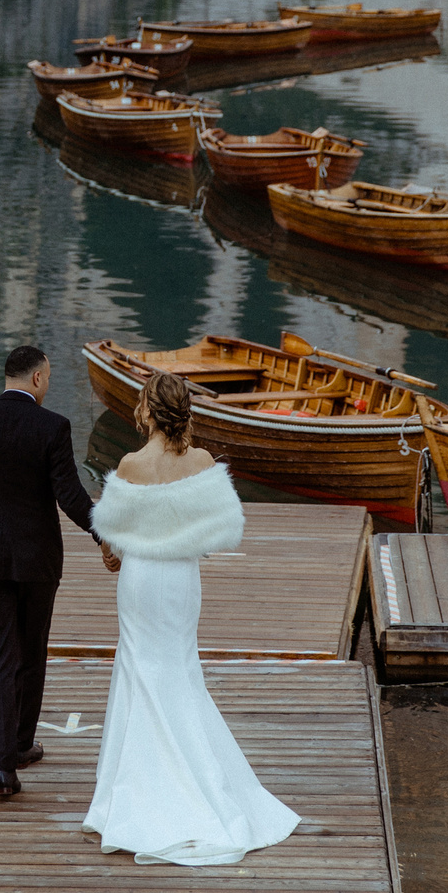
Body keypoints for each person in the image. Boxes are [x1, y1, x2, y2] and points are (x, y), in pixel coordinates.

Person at [82, 371, 299, 865]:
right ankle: (200, 783)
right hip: (181, 582)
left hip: (139, 582)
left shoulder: (132, 464)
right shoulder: (202, 462)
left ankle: (132, 796)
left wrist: (115, 555)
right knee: (179, 672)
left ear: (147, 410)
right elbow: (222, 529)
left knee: (139, 672)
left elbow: (110, 537)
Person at [0, 344, 97, 800]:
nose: (47, 385)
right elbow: (69, 495)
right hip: (37, 563)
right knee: (31, 652)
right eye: (46, 378)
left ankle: (4, 767)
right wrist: (104, 533)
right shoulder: (53, 427)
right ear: (36, 379)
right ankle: (22, 742)